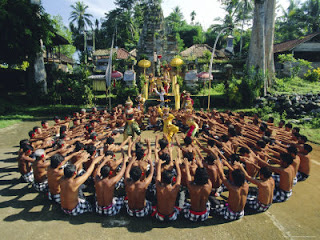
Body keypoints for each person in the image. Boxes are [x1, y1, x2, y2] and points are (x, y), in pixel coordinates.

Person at [152, 148, 182, 221]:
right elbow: (179, 175)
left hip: (159, 216)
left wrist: (159, 165)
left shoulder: (158, 186)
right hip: (172, 216)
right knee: (182, 195)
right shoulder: (175, 188)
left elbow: (158, 174)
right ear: (172, 180)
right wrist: (177, 165)